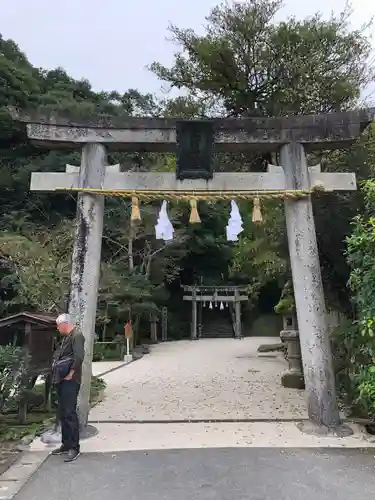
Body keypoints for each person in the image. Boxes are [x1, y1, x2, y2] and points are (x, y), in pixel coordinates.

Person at [51, 313, 85, 462]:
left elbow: (79, 356)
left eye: (58, 326)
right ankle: (66, 444)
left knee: (70, 412)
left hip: (71, 379)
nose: (58, 329)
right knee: (63, 412)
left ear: (65, 324)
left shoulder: (77, 335)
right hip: (61, 378)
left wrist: (71, 373)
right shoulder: (66, 337)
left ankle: (74, 447)